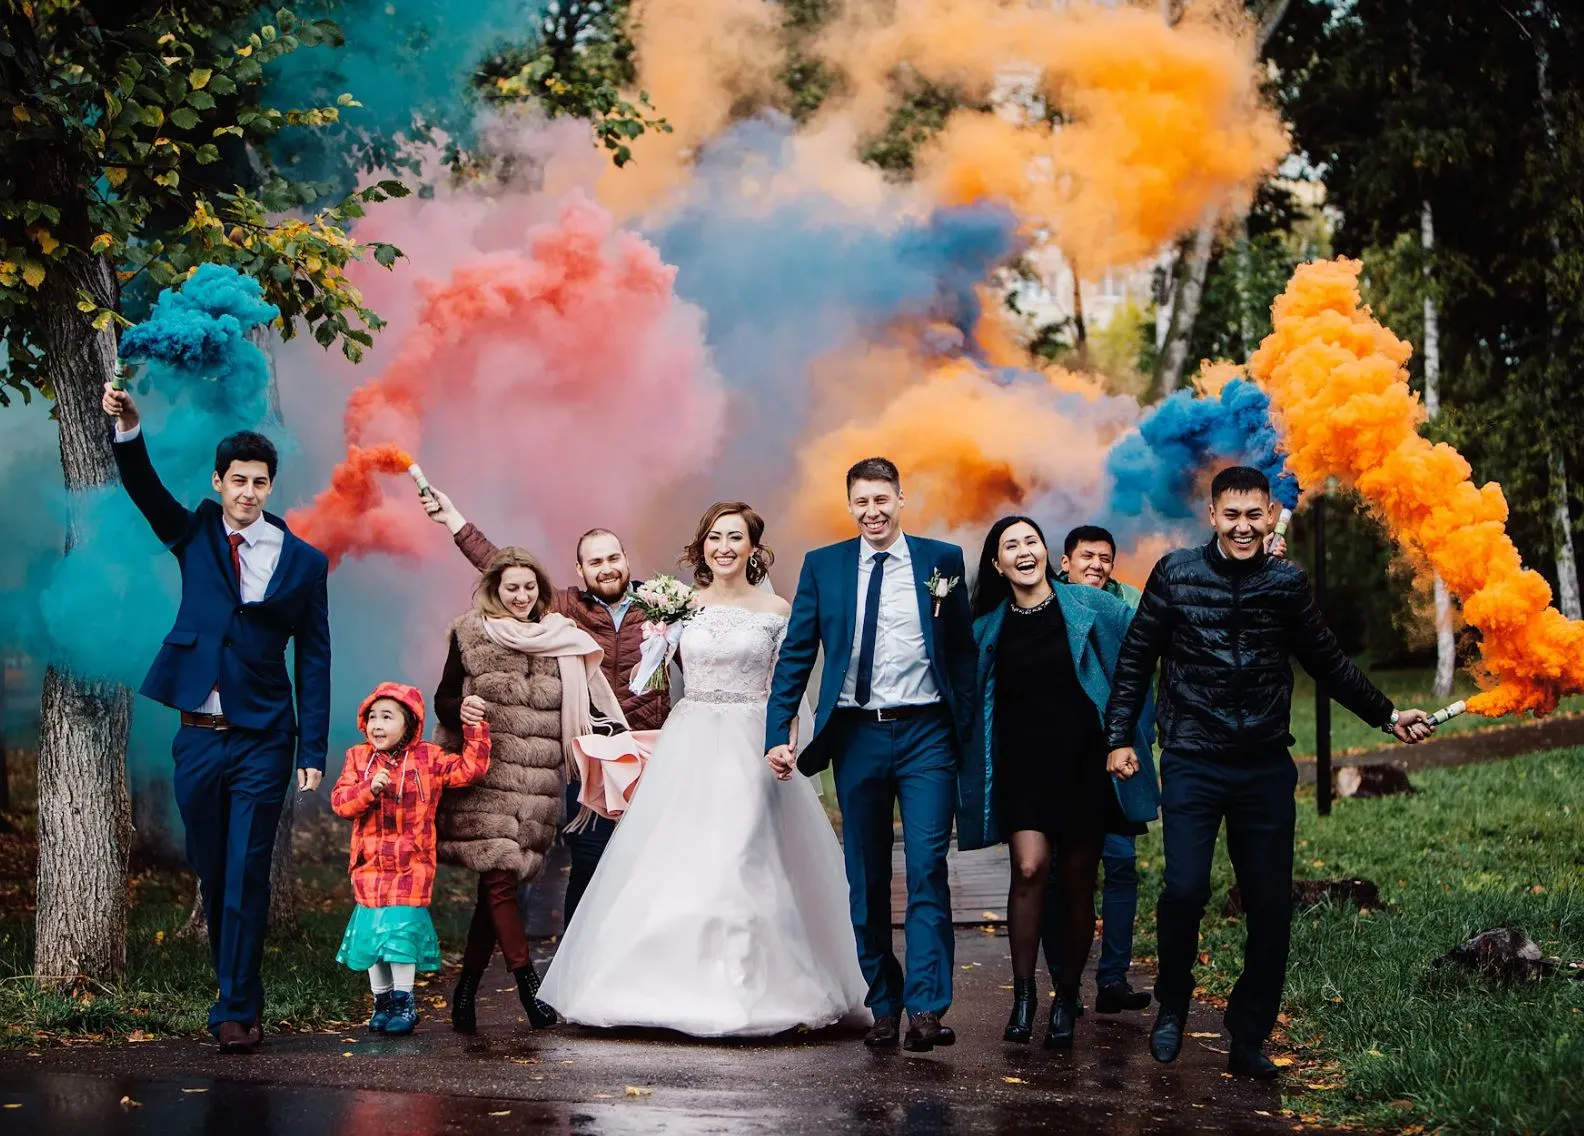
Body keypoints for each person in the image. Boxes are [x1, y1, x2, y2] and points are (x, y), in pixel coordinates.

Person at [1103, 466, 1433, 1080]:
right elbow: (1135, 659)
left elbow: (1328, 662)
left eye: (1254, 515)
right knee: (1184, 891)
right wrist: (1120, 736)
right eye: (1231, 514)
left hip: (1263, 766)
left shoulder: (1287, 583)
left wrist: (1388, 716)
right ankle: (1173, 1002)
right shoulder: (1175, 574)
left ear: (1272, 515)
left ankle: (1249, 1034)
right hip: (1192, 759)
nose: (1243, 526)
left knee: (1271, 905)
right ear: (1212, 515)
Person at [537, 502, 869, 1036]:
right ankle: (658, 984)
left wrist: (786, 742)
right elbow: (648, 674)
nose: (724, 547)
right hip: (689, 740)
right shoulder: (680, 605)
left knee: (743, 853)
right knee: (675, 856)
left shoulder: (776, 609)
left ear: (753, 548)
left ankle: (750, 987)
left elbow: (786, 686)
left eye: (735, 537)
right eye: (715, 537)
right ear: (703, 546)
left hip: (750, 740)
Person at [101, 381, 331, 1054]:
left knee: (247, 870)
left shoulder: (304, 562)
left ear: (270, 486)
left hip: (265, 737)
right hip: (198, 738)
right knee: (213, 869)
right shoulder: (196, 532)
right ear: (219, 482)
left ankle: (236, 1009)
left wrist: (312, 749)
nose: (249, 492)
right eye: (238, 481)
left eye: (260, 482)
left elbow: (314, 658)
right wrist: (130, 427)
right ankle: (231, 986)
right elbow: (144, 490)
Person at [765, 458, 977, 1053]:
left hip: (927, 733)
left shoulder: (942, 561)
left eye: (882, 499)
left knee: (928, 866)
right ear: (850, 504)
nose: (872, 511)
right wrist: (778, 731)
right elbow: (797, 654)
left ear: (901, 498)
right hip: (857, 735)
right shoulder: (824, 566)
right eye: (861, 501)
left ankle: (926, 1006)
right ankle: (883, 1002)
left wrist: (964, 729)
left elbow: (961, 651)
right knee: (866, 875)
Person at [422, 489, 665, 929]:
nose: (607, 568)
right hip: (592, 755)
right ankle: (574, 959)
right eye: (595, 561)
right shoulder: (565, 609)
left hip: (648, 751)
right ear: (580, 570)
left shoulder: (661, 606)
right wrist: (455, 521)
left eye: (613, 558)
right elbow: (506, 570)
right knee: (588, 859)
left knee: (650, 861)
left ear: (627, 560)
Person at [958, 517, 1157, 1050]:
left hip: (1084, 765)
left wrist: (1124, 736)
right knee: (1029, 869)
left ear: (1047, 552)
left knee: (1075, 883)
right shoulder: (987, 628)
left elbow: (1145, 645)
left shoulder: (1092, 606)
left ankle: (1066, 996)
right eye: (1011, 546)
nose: (1024, 551)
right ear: (998, 564)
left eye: (1031, 541)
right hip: (1021, 768)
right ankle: (1024, 995)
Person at [431, 545, 629, 1033]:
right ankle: (528, 988)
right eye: (511, 588)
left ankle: (465, 995)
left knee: (493, 892)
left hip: (537, 787)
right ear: (494, 590)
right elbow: (443, 698)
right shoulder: (471, 633)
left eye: (528, 587)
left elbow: (590, 707)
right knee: (500, 884)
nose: (520, 596)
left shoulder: (561, 639)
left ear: (539, 590)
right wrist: (461, 709)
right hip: (486, 782)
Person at [330, 683, 491, 1035]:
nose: (377, 725)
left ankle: (404, 1001)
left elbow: (470, 771)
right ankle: (382, 1001)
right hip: (369, 867)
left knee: (400, 936)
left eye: (387, 717)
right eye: (372, 717)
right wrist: (368, 789)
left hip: (410, 866)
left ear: (410, 724)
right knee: (373, 940)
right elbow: (341, 802)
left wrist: (475, 729)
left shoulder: (428, 759)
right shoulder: (358, 759)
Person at [1045, 524, 1152, 1015]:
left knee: (1121, 864)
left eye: (1105, 558)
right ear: (1065, 562)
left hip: (1117, 759)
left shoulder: (1128, 607)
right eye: (1087, 556)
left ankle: (1113, 979)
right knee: (1059, 872)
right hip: (1062, 764)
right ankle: (1063, 982)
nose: (1097, 565)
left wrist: (1138, 736)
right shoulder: (1045, 605)